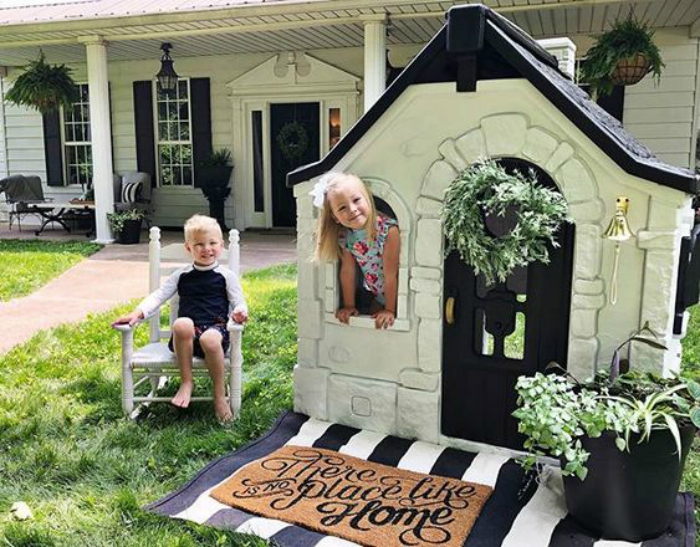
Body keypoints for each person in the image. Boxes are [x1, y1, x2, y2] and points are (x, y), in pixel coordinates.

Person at [113, 214, 247, 421]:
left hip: (216, 334)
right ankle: (187, 382)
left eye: (212, 243)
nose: (207, 248)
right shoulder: (181, 275)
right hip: (185, 340)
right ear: (188, 248)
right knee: (182, 323)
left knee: (209, 338)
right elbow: (158, 296)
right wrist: (137, 313)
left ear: (221, 245)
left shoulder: (226, 276)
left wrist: (240, 312)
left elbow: (238, 301)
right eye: (199, 244)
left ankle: (219, 395)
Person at [311, 172, 400, 329]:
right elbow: (348, 271)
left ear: (368, 199)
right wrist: (349, 305)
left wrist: (390, 309)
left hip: (399, 296)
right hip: (378, 296)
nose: (352, 209)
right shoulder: (346, 236)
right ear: (335, 217)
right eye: (342, 208)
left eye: (356, 200)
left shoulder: (387, 230)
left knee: (387, 325)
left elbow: (391, 275)